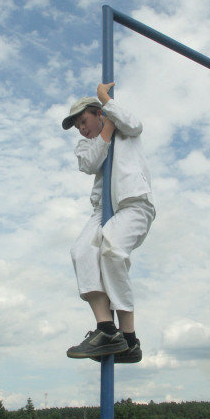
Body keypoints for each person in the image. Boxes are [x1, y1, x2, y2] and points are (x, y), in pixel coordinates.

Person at [62, 82, 155, 363]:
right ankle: (106, 329)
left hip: (132, 201)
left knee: (112, 250)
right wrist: (105, 132)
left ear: (98, 113)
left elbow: (135, 124)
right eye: (77, 126)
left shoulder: (123, 127)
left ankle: (129, 339)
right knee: (82, 251)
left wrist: (106, 101)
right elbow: (89, 164)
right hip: (103, 208)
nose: (81, 129)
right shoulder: (87, 143)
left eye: (84, 121)